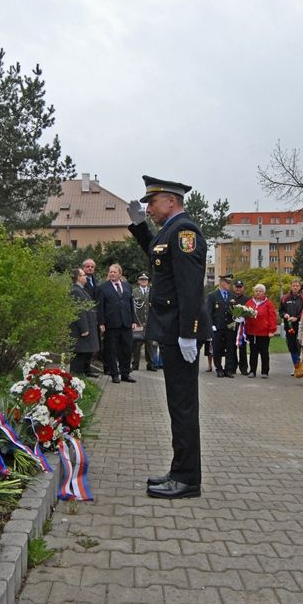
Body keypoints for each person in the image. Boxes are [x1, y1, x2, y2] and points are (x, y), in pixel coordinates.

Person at [127, 176, 208, 499]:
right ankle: (179, 470)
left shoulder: (186, 232)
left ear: (171, 201)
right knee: (178, 404)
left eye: (152, 202)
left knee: (184, 405)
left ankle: (188, 479)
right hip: (173, 330)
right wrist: (139, 228)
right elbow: (156, 253)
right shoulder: (170, 231)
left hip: (180, 332)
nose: (148, 208)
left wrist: (189, 334)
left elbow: (190, 286)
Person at [96, 263, 139, 384]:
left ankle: (125, 374)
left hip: (126, 323)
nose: (112, 274)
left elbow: (131, 305)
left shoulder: (127, 286)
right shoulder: (103, 287)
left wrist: (133, 320)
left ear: (120, 274)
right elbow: (100, 307)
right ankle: (114, 374)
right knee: (111, 350)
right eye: (110, 272)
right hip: (111, 324)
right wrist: (101, 323)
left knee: (126, 349)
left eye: (114, 272)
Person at [68, 268, 99, 377]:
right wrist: (84, 328)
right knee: (79, 355)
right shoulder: (76, 291)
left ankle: (82, 375)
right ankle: (75, 377)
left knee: (84, 354)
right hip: (80, 331)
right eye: (83, 275)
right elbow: (79, 311)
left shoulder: (81, 289)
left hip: (87, 328)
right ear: (78, 278)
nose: (86, 277)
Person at [206, 274, 237, 377]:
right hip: (217, 327)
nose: (229, 284)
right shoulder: (212, 295)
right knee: (217, 348)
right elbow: (208, 313)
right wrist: (211, 326)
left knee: (230, 348)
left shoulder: (232, 296)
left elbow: (235, 311)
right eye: (227, 282)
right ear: (221, 282)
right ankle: (219, 369)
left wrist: (238, 317)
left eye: (230, 283)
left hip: (229, 327)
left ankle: (228, 370)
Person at [244, 284, 278, 378]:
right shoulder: (249, 303)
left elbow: (272, 317)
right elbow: (245, 316)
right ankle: (252, 371)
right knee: (253, 352)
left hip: (264, 333)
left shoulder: (268, 304)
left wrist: (272, 330)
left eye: (260, 291)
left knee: (264, 352)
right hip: (252, 332)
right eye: (256, 291)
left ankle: (265, 371)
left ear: (264, 293)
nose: (258, 293)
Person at [132, 273, 157, 371]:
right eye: (141, 279)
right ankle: (135, 364)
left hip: (150, 322)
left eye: (145, 279)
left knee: (149, 344)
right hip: (138, 321)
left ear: (148, 281)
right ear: (138, 281)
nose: (143, 281)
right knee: (137, 344)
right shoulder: (134, 292)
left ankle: (150, 364)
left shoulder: (152, 291)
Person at [280, 281, 303, 371]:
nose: (295, 287)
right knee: (292, 346)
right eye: (293, 285)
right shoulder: (285, 298)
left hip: (301, 326)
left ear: (300, 287)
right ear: (291, 287)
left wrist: (297, 318)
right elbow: (281, 311)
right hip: (289, 326)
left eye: (297, 286)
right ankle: (297, 367)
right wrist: (285, 315)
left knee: (302, 346)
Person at [233, 279, 250, 375]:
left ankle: (244, 369)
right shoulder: (230, 298)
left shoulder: (247, 299)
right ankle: (232, 367)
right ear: (234, 287)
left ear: (243, 288)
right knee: (232, 349)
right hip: (232, 327)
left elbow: (250, 312)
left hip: (242, 328)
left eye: (240, 287)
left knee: (243, 349)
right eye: (236, 286)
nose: (238, 288)